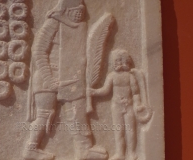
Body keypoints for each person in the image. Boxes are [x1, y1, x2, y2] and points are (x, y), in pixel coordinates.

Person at [23, 0, 108, 159]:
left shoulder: (80, 27)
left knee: (78, 112)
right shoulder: (53, 23)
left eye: (82, 10)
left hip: (71, 78)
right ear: (65, 10)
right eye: (76, 9)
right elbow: (39, 52)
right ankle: (31, 149)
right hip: (47, 77)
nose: (79, 13)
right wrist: (49, 79)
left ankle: (85, 149)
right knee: (45, 114)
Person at [88, 49, 142, 160]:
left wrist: (137, 104)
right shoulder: (111, 76)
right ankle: (120, 154)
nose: (116, 63)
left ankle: (131, 153)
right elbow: (105, 90)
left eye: (119, 60)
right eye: (115, 61)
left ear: (125, 61)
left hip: (129, 106)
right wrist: (94, 92)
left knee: (130, 130)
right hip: (116, 107)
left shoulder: (130, 77)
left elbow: (136, 92)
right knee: (119, 130)